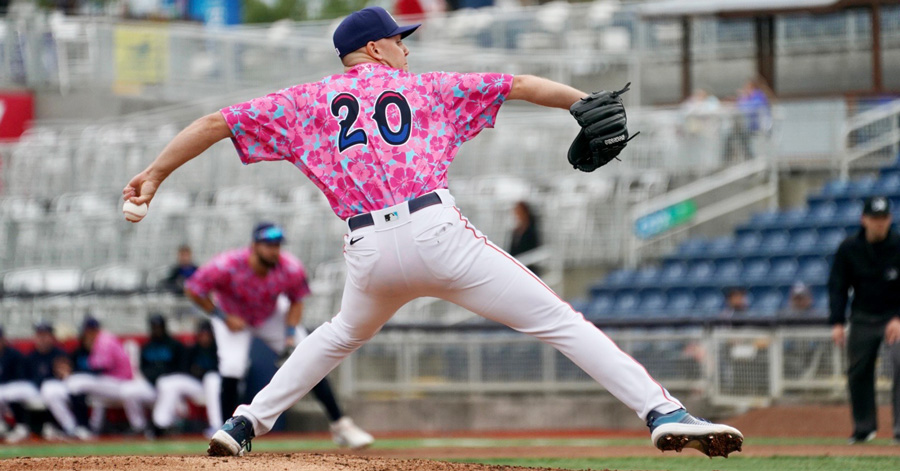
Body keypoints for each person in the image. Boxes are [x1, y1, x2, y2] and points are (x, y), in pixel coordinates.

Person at [122, 6, 742, 458]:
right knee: (559, 322)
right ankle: (663, 410)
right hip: (436, 229)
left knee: (337, 335)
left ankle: (242, 424)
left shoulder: (303, 102)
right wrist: (581, 102)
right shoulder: (427, 89)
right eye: (397, 40)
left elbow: (215, 121)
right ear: (370, 49)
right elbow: (520, 85)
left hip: (367, 248)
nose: (406, 49)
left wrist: (153, 174)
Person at [182, 223, 374, 449]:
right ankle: (229, 431)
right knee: (232, 366)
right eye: (268, 244)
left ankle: (341, 426)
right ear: (254, 245)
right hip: (233, 317)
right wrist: (221, 316)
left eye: (277, 245)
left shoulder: (289, 267)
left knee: (309, 354)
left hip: (269, 314)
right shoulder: (228, 264)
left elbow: (296, 300)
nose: (274, 250)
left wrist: (291, 335)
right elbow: (193, 289)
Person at [829, 195, 900, 444]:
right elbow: (838, 286)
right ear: (864, 220)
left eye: (883, 218)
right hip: (863, 316)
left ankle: (899, 429)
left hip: (894, 319)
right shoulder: (849, 248)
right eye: (874, 218)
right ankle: (864, 428)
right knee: (857, 371)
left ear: (890, 219)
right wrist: (837, 322)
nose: (879, 223)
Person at [63, 317, 156, 436]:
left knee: (75, 382)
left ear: (91, 330)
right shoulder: (101, 339)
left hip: (120, 382)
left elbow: (100, 368)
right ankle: (90, 428)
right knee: (84, 388)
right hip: (113, 381)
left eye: (86, 331)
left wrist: (75, 372)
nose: (84, 335)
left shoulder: (104, 341)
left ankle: (82, 426)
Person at [152, 320, 222, 437]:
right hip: (197, 387)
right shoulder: (192, 349)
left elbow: (222, 371)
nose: (204, 338)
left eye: (207, 335)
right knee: (169, 382)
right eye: (202, 335)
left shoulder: (218, 349)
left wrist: (202, 372)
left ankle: (216, 425)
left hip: (216, 389)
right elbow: (184, 371)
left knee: (211, 378)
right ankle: (161, 425)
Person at [37, 323, 95, 441]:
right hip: (46, 387)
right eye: (40, 335)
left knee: (75, 386)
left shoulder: (61, 352)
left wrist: (65, 373)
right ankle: (71, 428)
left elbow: (71, 370)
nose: (43, 339)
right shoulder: (33, 355)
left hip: (68, 385)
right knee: (50, 390)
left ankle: (81, 427)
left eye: (46, 335)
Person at [0, 326, 34, 443]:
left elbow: (20, 377)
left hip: (23, 387)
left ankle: (21, 426)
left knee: (9, 392)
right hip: (7, 390)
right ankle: (4, 426)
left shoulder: (13, 355)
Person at [508, 201, 542, 275]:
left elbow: (534, 248)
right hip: (518, 263)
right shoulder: (516, 231)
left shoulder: (531, 230)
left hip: (527, 264)